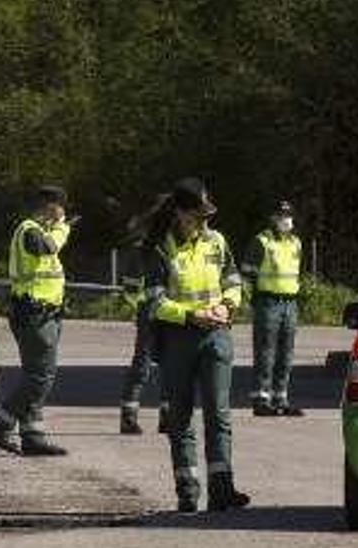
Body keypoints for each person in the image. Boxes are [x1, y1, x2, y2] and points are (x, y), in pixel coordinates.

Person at [142, 178, 250, 513]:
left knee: (219, 414)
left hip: (217, 334)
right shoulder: (160, 248)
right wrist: (191, 316)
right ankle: (187, 489)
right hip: (178, 339)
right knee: (180, 416)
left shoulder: (216, 242)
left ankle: (222, 488)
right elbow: (155, 303)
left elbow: (234, 283)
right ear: (179, 214)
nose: (205, 223)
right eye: (198, 217)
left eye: (207, 216)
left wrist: (227, 307)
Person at [0, 185, 73, 457]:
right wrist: (63, 229)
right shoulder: (29, 230)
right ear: (50, 206)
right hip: (34, 314)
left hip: (47, 314)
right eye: (61, 207)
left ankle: (32, 435)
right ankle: (2, 423)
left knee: (39, 374)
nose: (63, 214)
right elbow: (46, 248)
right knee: (40, 376)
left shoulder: (39, 229)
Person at [241, 201, 304, 417]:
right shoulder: (262, 242)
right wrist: (250, 302)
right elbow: (247, 275)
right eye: (281, 215)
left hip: (290, 303)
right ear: (273, 218)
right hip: (267, 302)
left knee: (286, 353)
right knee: (266, 352)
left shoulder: (296, 243)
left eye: (288, 215)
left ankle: (281, 398)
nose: (286, 219)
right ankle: (261, 398)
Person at [117, 237, 168, 435]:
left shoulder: (177, 246)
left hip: (174, 316)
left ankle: (168, 417)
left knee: (172, 366)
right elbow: (130, 288)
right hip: (150, 317)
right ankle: (129, 418)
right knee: (141, 366)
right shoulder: (142, 251)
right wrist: (144, 308)